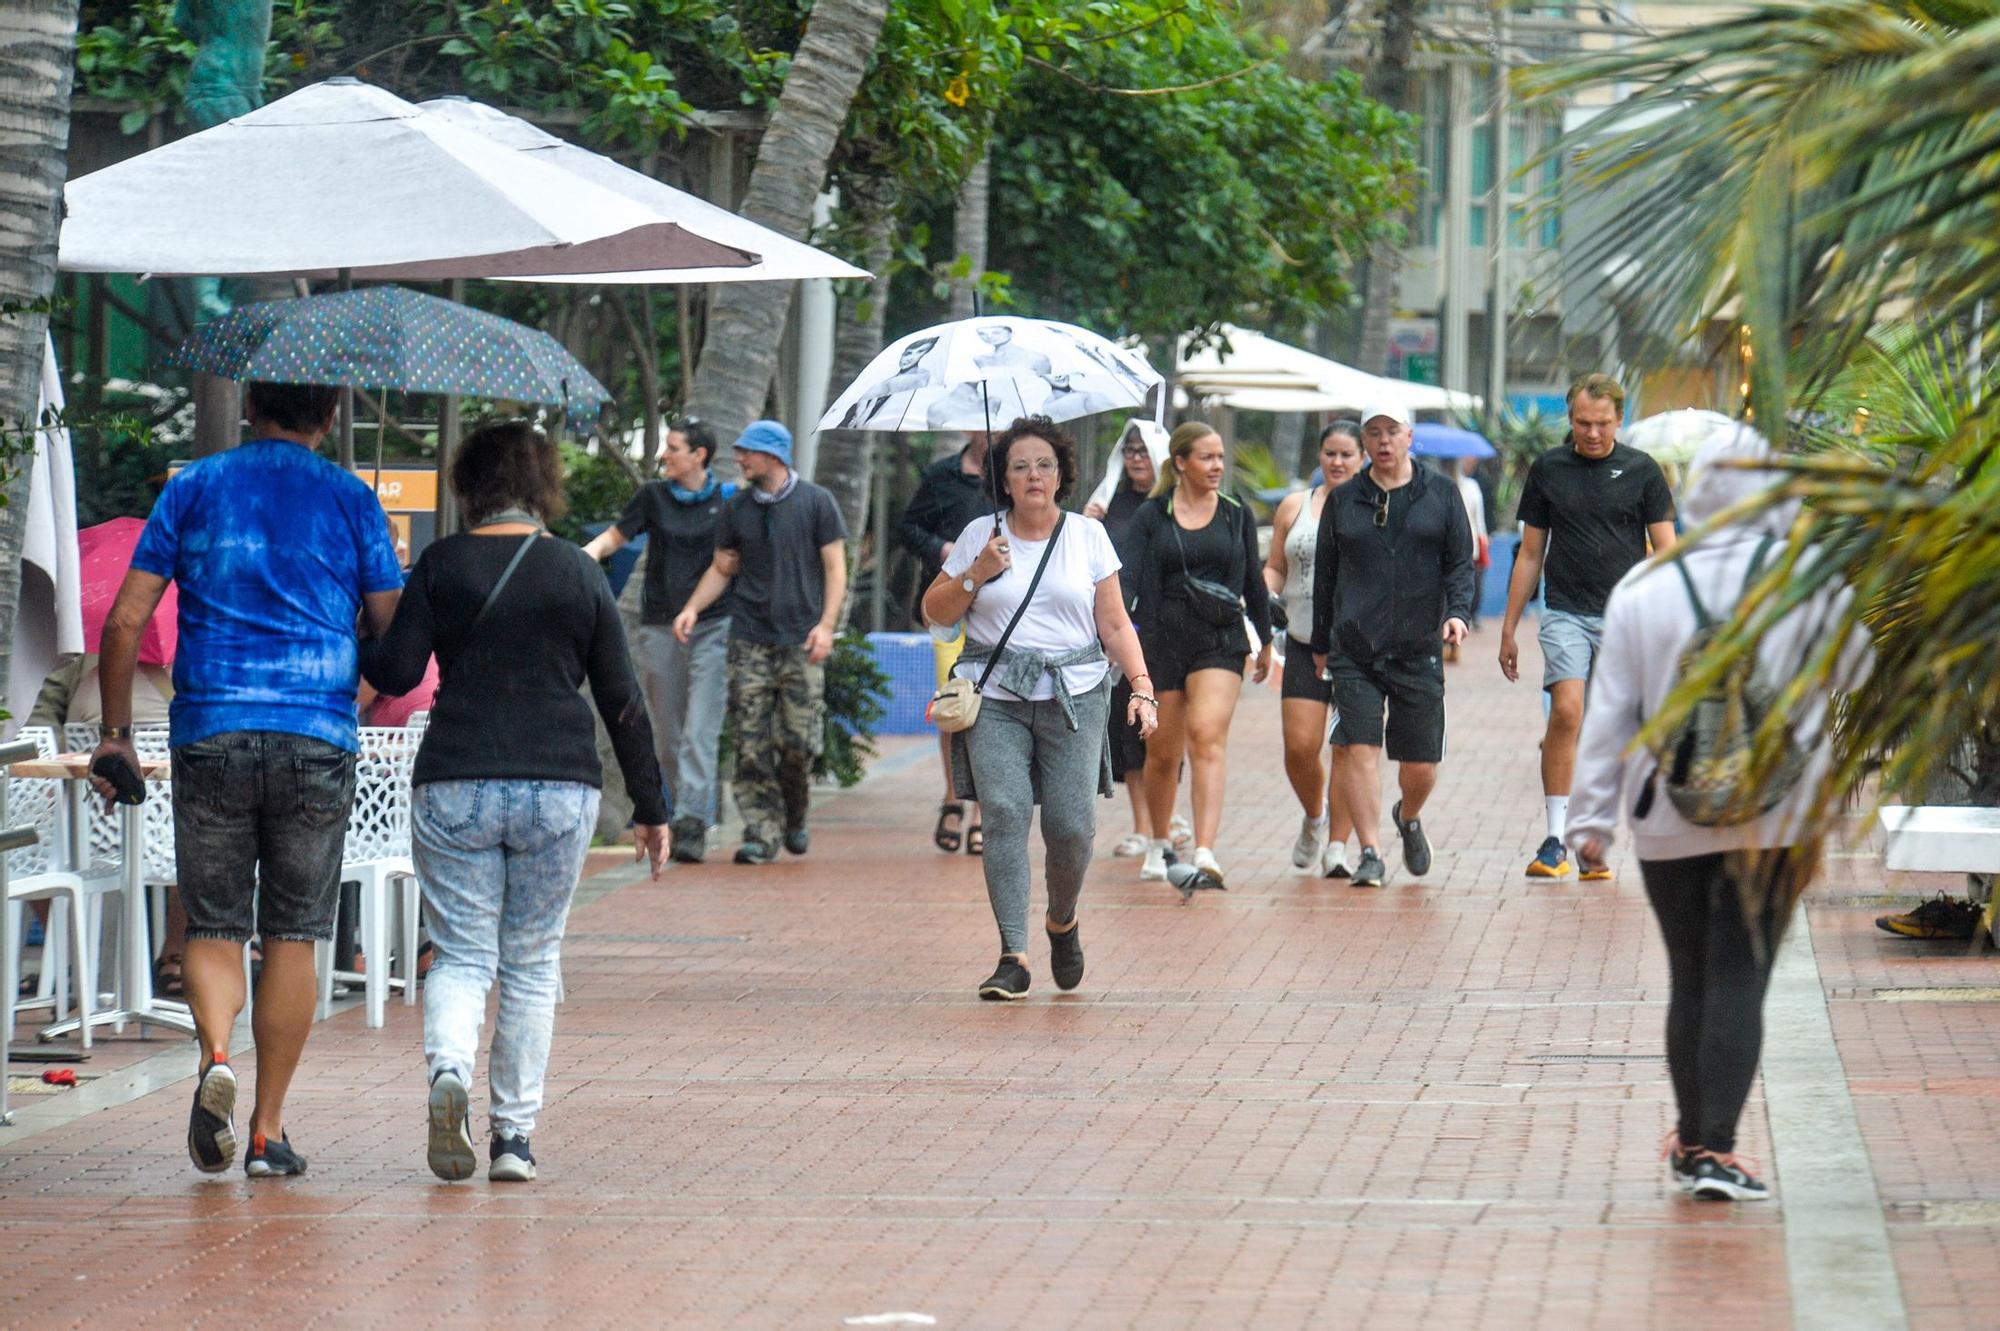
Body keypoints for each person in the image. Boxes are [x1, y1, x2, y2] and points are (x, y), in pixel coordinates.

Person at [90, 379, 404, 1179]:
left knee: (216, 923)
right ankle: (265, 1127)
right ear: (328, 417)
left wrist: (117, 734)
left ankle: (218, 1056)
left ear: (252, 407)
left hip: (212, 729)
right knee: (296, 932)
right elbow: (393, 630)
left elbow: (126, 619)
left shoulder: (194, 486)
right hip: (315, 734)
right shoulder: (350, 498)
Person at [1566, 424, 1869, 1202]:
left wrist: (1589, 823)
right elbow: (1859, 668)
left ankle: (1695, 1139)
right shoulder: (1806, 579)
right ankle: (1717, 1150)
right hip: (1781, 813)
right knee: (1741, 971)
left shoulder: (1645, 586)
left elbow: (1609, 715)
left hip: (1669, 809)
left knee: (1691, 976)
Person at [363, 419, 668, 1184]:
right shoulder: (575, 569)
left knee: (463, 953)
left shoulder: (442, 562)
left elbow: (395, 674)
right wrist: (651, 804)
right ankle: (513, 1140)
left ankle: (447, 1074)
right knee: (532, 962)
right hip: (560, 783)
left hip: (456, 774)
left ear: (468, 482)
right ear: (543, 487)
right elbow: (622, 697)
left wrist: (365, 608)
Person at [921, 416, 1157, 999]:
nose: (1033, 475)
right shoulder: (982, 535)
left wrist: (1142, 686)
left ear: (1061, 475)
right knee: (1002, 814)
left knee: (1071, 828)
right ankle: (1013, 954)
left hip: (1073, 696)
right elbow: (936, 611)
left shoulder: (1087, 537)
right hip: (995, 695)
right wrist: (977, 574)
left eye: (1044, 465)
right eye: (1020, 465)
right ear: (1003, 479)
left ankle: (1062, 921)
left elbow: (1113, 621)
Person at [1500, 375, 1677, 881]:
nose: (1592, 433)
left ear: (1619, 420)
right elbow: (1531, 553)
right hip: (1565, 613)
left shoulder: (1643, 471)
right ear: (1569, 419)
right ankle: (1555, 838)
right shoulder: (1549, 469)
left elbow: (1666, 551)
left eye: (1602, 424)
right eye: (1582, 423)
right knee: (1568, 711)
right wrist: (1510, 628)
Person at [1309, 402, 1474, 888]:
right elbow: (1326, 576)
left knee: (1420, 764)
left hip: (1419, 644)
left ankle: (1409, 814)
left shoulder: (1442, 495)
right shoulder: (1344, 500)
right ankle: (1371, 851)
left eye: (1392, 432)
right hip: (1354, 646)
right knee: (1358, 747)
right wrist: (1322, 641)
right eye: (1374, 434)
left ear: (1409, 436)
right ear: (1364, 441)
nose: (1383, 442)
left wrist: (1458, 614)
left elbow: (1460, 564)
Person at [674, 421, 847, 864]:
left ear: (772, 455)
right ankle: (761, 831)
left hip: (801, 640)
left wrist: (826, 625)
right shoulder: (737, 508)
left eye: (746, 452)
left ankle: (794, 814)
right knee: (750, 743)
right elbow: (723, 567)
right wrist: (693, 608)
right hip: (750, 637)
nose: (740, 460)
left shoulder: (816, 503)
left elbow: (835, 569)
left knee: (798, 743)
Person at [1126, 421, 1274, 886]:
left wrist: (1265, 640)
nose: (1217, 466)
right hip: (1162, 641)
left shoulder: (1235, 513)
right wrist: (1130, 650)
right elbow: (1130, 581)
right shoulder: (1152, 517)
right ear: (1181, 463)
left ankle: (1206, 850)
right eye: (1207, 457)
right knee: (1162, 754)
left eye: (1221, 457)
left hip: (1221, 638)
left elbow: (1253, 580)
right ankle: (1159, 843)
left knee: (1207, 734)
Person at [581, 417, 736, 863]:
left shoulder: (727, 500)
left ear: (698, 455)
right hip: (660, 625)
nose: (664, 455)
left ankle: (692, 822)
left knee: (699, 732)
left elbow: (732, 561)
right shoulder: (653, 496)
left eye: (672, 447)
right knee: (667, 734)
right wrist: (581, 556)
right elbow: (615, 537)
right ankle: (673, 811)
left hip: (713, 625)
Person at [1263, 422, 1362, 877]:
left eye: (1346, 454)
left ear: (1362, 457)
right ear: (1319, 457)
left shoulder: (1375, 510)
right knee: (1300, 747)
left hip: (1358, 648)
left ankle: (1339, 846)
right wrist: (1266, 600)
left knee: (1346, 747)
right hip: (1302, 640)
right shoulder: (1295, 506)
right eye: (1330, 454)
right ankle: (1314, 817)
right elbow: (1275, 567)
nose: (1337, 462)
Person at [899, 430, 996, 854]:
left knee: (990, 709)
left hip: (998, 610)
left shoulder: (1009, 479)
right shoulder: (941, 476)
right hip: (949, 608)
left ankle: (978, 812)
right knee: (953, 703)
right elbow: (907, 527)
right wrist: (941, 549)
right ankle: (953, 794)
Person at [1082, 420, 1172, 859]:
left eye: (1144, 450)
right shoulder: (1107, 506)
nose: (1136, 458)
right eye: (1129, 450)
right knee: (1131, 727)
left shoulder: (1175, 505)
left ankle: (1165, 815)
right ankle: (1141, 823)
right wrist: (1087, 522)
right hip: (1123, 632)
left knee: (1170, 733)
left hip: (1169, 628)